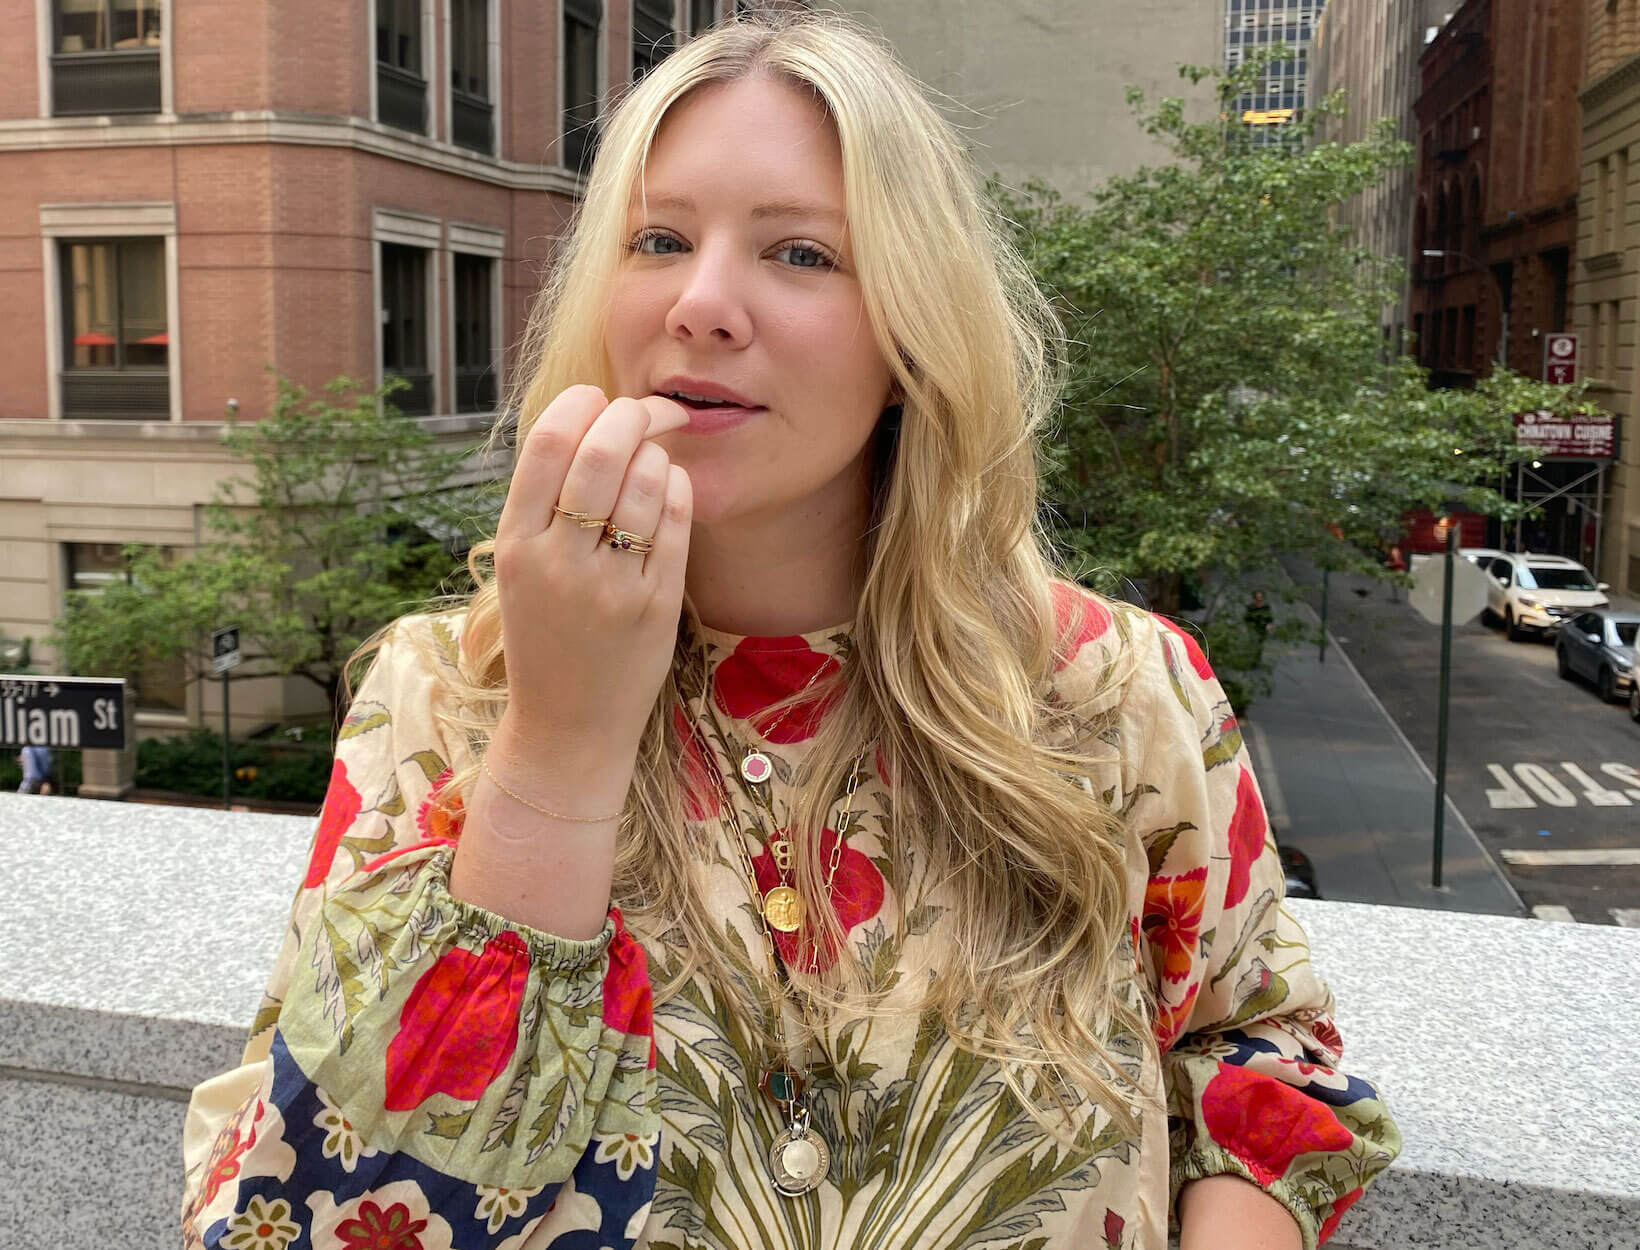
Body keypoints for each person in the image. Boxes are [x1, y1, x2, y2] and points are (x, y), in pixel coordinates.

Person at [181, 14, 1400, 1249]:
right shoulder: (440, 701)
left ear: (910, 332)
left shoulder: (1118, 688)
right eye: (657, 239)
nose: (702, 303)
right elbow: (307, 1210)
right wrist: (557, 751)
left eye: (801, 254)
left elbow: (1256, 1046)